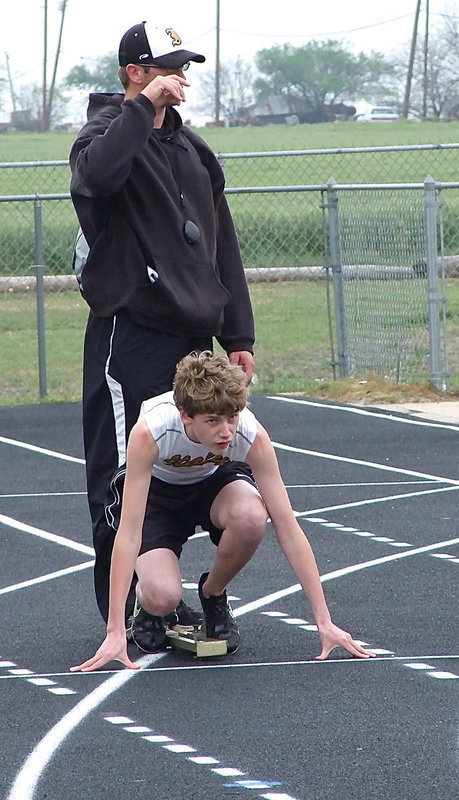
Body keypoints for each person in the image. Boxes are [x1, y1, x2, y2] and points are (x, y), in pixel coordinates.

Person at [68, 21, 255, 623]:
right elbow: (97, 177)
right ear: (135, 74)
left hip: (194, 342)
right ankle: (124, 611)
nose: (182, 78)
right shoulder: (103, 135)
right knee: (124, 472)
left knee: (209, 460)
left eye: (186, 67)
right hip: (132, 337)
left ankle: (200, 588)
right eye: (169, 67)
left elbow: (222, 244)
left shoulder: (193, 149)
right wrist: (140, 109)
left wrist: (239, 335)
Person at [71, 351, 374, 673]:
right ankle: (149, 607)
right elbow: (129, 532)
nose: (226, 432)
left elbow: (287, 525)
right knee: (163, 596)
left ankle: (212, 594)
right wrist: (115, 631)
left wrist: (324, 621)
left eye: (232, 417)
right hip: (158, 494)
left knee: (253, 515)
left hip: (213, 481)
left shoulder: (250, 435)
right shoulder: (151, 432)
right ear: (186, 415)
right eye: (212, 421)